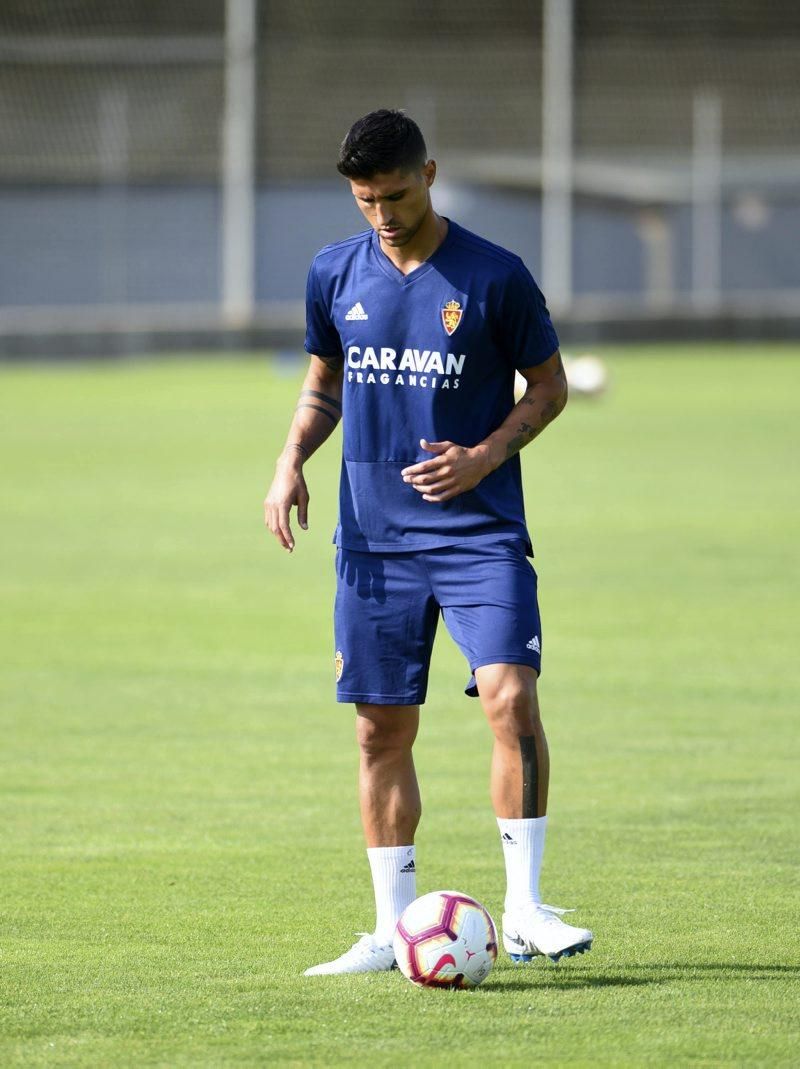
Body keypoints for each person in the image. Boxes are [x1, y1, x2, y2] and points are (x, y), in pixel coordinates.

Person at [265, 109, 593, 975]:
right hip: (374, 542)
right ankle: (389, 928)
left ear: (432, 173)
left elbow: (551, 387)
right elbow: (323, 383)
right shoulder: (334, 273)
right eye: (365, 197)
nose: (380, 212)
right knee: (380, 731)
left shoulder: (495, 277)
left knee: (511, 699)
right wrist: (290, 460)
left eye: (396, 193)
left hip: (479, 533)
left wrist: (483, 456)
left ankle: (524, 908)